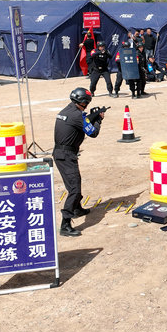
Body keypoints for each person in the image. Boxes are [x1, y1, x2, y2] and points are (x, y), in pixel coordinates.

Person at [53, 87, 106, 237]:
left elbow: (80, 121)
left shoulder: (67, 110)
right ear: (83, 102)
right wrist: (98, 120)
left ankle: (77, 209)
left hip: (61, 153)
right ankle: (65, 224)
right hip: (66, 155)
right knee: (74, 189)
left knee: (74, 182)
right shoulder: (78, 115)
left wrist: (91, 118)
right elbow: (93, 133)